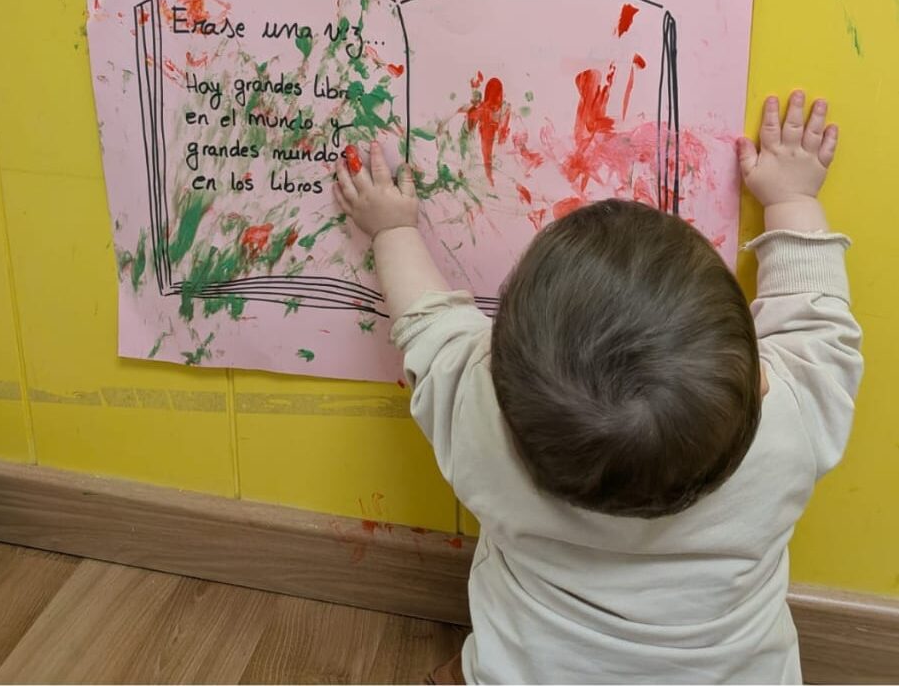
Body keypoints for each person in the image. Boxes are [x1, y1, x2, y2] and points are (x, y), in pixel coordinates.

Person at [333, 91, 862, 685]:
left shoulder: (480, 419)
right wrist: (792, 197)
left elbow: (426, 321)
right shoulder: (790, 430)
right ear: (760, 379)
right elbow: (815, 318)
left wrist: (393, 229)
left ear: (494, 370)